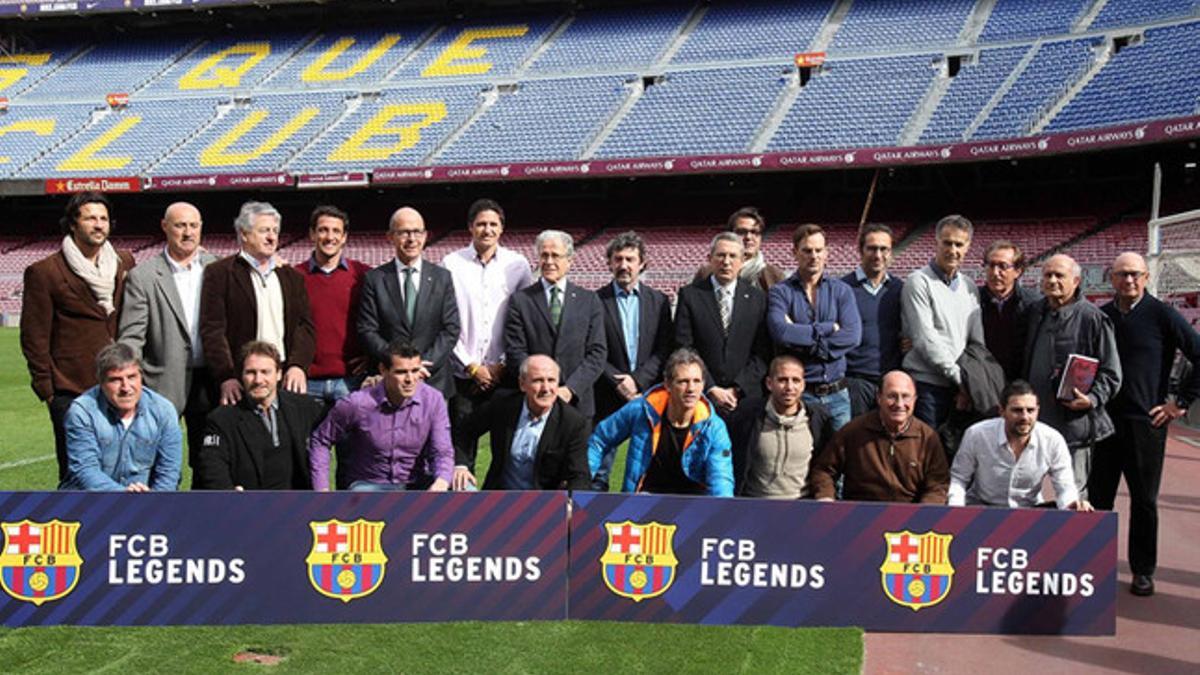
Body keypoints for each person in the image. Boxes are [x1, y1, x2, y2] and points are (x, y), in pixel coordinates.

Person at [1095, 252, 1200, 597]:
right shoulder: (1102, 316)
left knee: (1144, 501)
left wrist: (1180, 403)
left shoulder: (1163, 315)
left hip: (1146, 423)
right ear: (1112, 278)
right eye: (1122, 274)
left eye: (1135, 274)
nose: (1129, 280)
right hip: (1104, 422)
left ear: (1146, 277)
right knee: (1098, 498)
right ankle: (1092, 565)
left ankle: (1143, 570)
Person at [21, 191, 136, 482]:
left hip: (122, 387)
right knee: (78, 475)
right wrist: (49, 392)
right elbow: (34, 337)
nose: (99, 225)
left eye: (104, 218)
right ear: (73, 224)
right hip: (71, 390)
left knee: (124, 470)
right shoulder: (44, 272)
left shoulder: (125, 263)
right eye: (90, 218)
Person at [118, 202, 217, 484]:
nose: (188, 232)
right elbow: (132, 336)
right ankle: (160, 521)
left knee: (208, 460)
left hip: (210, 381)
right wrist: (132, 383)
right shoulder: (144, 276)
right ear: (165, 227)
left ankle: (201, 522)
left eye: (194, 226)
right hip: (160, 382)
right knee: (159, 462)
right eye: (180, 225)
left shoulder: (218, 268)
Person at [443, 199, 533, 488]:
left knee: (504, 448)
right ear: (470, 227)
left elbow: (522, 320)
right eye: (481, 223)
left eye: (493, 224)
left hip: (503, 376)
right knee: (461, 446)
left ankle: (497, 514)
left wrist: (502, 365)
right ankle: (462, 509)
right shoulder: (451, 263)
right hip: (462, 374)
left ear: (502, 228)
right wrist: (471, 366)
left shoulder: (517, 265)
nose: (487, 229)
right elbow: (448, 320)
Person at [1023, 253, 1121, 501]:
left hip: (1074, 426)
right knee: (1023, 492)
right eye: (1048, 275)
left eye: (1060, 275)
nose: (1052, 280)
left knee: (1072, 495)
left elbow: (1112, 372)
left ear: (1076, 281)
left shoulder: (1093, 318)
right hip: (1033, 423)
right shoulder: (1034, 312)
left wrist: (1092, 399)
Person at [200, 201, 315, 407]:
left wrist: (298, 366)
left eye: (274, 231)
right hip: (240, 380)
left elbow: (304, 327)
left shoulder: (292, 277)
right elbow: (213, 331)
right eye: (264, 231)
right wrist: (226, 376)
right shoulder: (220, 273)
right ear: (244, 234)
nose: (272, 237)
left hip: (282, 378)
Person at [309, 340, 452, 492]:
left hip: (416, 483)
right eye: (401, 372)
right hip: (369, 484)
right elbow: (321, 440)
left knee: (461, 492)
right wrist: (322, 489)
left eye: (415, 371)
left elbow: (442, 451)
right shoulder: (357, 403)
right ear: (383, 370)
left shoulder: (433, 400)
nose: (410, 379)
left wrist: (441, 483)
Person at [588, 348, 734, 496]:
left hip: (692, 508)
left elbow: (721, 481)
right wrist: (584, 485)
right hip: (642, 503)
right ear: (668, 385)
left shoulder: (714, 427)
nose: (691, 389)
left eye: (696, 381)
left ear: (703, 385)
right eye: (683, 382)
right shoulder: (642, 409)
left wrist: (720, 513)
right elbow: (600, 439)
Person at [591, 231, 673, 490]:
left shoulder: (658, 301)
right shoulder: (594, 301)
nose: (624, 265)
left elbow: (664, 348)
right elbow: (593, 349)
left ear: (642, 264)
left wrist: (637, 381)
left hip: (647, 394)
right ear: (609, 263)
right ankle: (591, 516)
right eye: (618, 259)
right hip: (606, 394)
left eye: (630, 259)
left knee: (645, 465)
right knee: (599, 468)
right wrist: (618, 381)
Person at [357, 206, 461, 398]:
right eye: (404, 232)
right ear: (390, 237)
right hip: (390, 381)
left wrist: (422, 365)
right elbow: (367, 329)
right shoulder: (375, 279)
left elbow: (450, 329)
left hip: (433, 379)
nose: (412, 239)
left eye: (417, 232)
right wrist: (401, 365)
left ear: (425, 235)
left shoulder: (442, 278)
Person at [767, 224, 862, 429]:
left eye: (819, 250)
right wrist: (829, 328)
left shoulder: (842, 291)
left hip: (838, 395)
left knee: (841, 457)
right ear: (795, 252)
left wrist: (802, 337)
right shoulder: (780, 292)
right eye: (807, 250)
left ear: (826, 253)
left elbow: (853, 336)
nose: (814, 256)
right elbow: (781, 333)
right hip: (802, 396)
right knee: (802, 458)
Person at [504, 229, 606, 419]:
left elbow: (597, 353)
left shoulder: (590, 300)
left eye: (555, 255)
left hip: (577, 403)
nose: (549, 261)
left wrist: (570, 389)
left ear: (570, 260)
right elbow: (515, 351)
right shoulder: (521, 301)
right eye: (544, 255)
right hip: (534, 403)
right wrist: (541, 385)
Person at [195, 341, 325, 490]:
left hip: (298, 507)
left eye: (265, 372)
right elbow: (212, 467)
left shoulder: (304, 408)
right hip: (248, 506)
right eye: (251, 372)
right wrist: (228, 494)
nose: (258, 380)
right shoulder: (221, 420)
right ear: (241, 376)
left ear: (279, 374)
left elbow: (339, 426)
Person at [453, 355, 591, 491]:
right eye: (538, 381)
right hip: (499, 498)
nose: (546, 388)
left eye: (551, 380)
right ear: (522, 384)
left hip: (545, 504)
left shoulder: (573, 422)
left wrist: (570, 503)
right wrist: (461, 465)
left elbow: (579, 475)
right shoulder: (502, 404)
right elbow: (464, 431)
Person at [808, 370, 949, 503]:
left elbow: (938, 484)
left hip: (908, 520)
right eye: (892, 396)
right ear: (879, 397)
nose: (899, 404)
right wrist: (826, 498)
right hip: (860, 516)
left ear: (915, 400)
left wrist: (926, 512)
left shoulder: (927, 437)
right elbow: (823, 470)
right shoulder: (854, 431)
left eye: (906, 396)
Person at [949, 380, 1091, 510]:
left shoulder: (1053, 439)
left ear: (1038, 411)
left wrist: (1071, 505)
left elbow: (1065, 486)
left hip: (1029, 513)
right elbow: (959, 478)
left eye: (1030, 410)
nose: (1025, 417)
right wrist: (956, 514)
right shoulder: (977, 434)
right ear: (1001, 411)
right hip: (982, 509)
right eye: (1017, 410)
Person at [59, 343, 181, 492]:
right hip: (89, 501)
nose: (126, 387)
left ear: (141, 376)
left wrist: (153, 502)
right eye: (116, 380)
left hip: (145, 501)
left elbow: (169, 473)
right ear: (101, 381)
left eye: (131, 377)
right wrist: (123, 496)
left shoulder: (163, 410)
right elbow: (85, 471)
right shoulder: (82, 412)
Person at [901, 214, 985, 430]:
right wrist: (960, 378)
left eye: (959, 244)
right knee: (928, 455)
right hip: (927, 386)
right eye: (947, 242)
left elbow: (976, 342)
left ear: (968, 247)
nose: (953, 250)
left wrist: (968, 381)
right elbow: (924, 339)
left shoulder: (970, 287)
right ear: (936, 242)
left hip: (960, 387)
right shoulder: (918, 282)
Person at [675, 232, 770, 419]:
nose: (726, 261)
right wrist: (711, 387)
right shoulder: (690, 295)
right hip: (701, 398)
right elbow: (684, 347)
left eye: (733, 256)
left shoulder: (758, 299)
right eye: (721, 255)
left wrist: (737, 389)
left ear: (742, 260)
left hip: (745, 400)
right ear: (709, 258)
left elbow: (762, 352)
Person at [729, 356, 835, 498]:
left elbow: (823, 468)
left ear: (803, 385)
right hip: (754, 504)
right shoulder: (748, 416)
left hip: (801, 507)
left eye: (795, 380)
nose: (789, 387)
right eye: (782, 380)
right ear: (769, 383)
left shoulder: (818, 420)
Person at [297, 205, 371, 408]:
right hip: (307, 381)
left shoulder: (363, 275)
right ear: (312, 234)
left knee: (354, 441)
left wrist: (371, 357)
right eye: (323, 230)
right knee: (309, 441)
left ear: (345, 236)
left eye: (336, 231)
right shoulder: (294, 277)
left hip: (352, 381)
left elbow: (377, 321)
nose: (330, 237)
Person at [841, 224, 904, 418]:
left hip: (890, 381)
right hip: (855, 382)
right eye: (872, 248)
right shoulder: (842, 288)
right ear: (860, 250)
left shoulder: (900, 289)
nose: (878, 255)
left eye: (884, 249)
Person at [979, 240, 1040, 383]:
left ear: (1018, 271)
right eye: (990, 265)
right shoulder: (971, 301)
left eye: (1003, 266)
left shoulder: (1034, 304)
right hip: (984, 383)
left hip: (1022, 383)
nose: (995, 272)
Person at [694, 207, 784, 291]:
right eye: (742, 232)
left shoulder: (774, 275)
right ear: (730, 235)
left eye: (754, 232)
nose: (748, 237)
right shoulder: (706, 273)